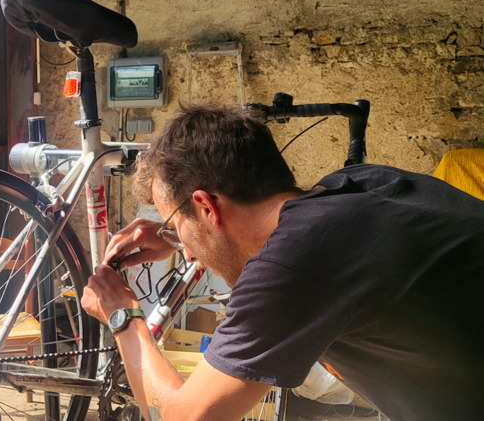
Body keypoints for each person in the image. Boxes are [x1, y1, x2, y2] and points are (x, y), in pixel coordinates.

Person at [80, 104, 484, 421]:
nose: (179, 241)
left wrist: (122, 316)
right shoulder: (359, 185)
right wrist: (177, 234)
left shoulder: (293, 267)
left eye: (173, 220)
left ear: (205, 207)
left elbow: (182, 417)